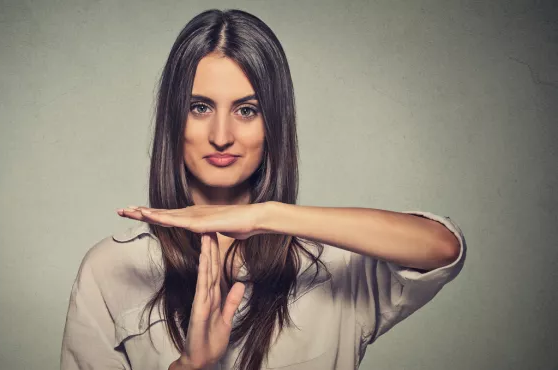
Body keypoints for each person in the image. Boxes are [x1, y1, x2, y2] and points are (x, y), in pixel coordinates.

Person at [60, 8, 467, 370]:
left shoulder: (334, 265)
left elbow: (442, 247)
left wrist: (264, 215)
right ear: (173, 120)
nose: (222, 135)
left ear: (273, 124)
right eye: (199, 107)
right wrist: (190, 366)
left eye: (247, 110)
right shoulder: (111, 268)